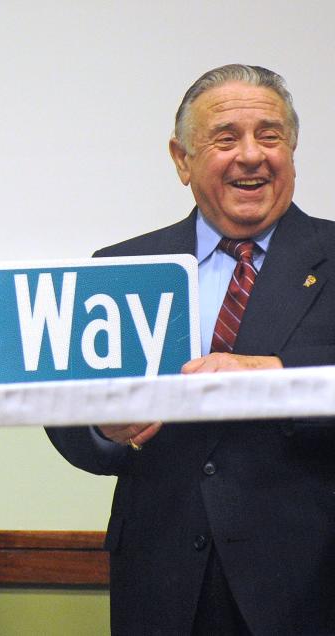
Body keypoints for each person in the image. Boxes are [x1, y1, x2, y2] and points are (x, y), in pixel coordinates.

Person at [47, 64, 335, 634]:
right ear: (182, 160)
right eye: (226, 138)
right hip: (161, 580)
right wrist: (105, 429)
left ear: (293, 150)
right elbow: (66, 420)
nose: (251, 155)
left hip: (309, 583)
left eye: (270, 135)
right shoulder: (120, 269)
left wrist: (276, 375)